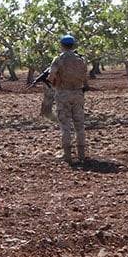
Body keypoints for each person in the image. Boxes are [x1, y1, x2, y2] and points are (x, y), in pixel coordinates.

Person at [48, 35, 89, 164]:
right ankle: (81, 155)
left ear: (61, 45)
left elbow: (51, 77)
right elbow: (85, 78)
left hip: (63, 94)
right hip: (78, 93)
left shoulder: (58, 59)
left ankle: (67, 156)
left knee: (65, 126)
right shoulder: (80, 59)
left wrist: (56, 83)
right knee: (79, 125)